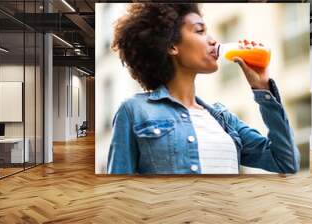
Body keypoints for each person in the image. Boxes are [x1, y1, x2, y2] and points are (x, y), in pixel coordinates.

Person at [107, 3, 300, 174]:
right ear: (172, 46)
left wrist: (262, 87)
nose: (213, 40)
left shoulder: (223, 119)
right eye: (200, 31)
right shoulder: (135, 111)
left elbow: (286, 162)